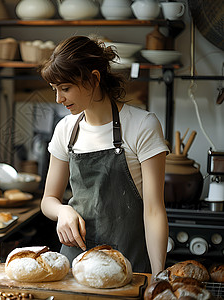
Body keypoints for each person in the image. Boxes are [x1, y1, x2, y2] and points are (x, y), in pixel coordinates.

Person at [39, 36, 169, 276]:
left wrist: (157, 276)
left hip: (128, 265)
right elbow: (48, 200)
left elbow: (154, 211)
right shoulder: (66, 129)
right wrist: (63, 211)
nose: (59, 99)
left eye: (65, 88)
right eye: (55, 90)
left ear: (94, 79)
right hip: (76, 265)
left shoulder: (142, 125)